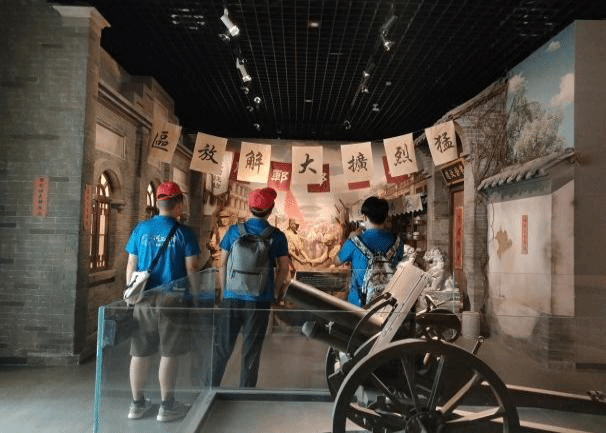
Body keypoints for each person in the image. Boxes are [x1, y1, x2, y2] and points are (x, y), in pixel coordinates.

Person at [124, 181, 200, 422]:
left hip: (144, 298)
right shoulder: (185, 233)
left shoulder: (141, 229)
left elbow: (131, 264)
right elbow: (192, 268)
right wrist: (197, 295)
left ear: (158, 203)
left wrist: (131, 294)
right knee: (169, 353)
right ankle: (166, 406)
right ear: (178, 204)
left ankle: (137, 405)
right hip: (173, 299)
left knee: (139, 352)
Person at [211, 187, 290, 387]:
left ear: (249, 207)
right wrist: (274, 292)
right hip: (259, 300)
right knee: (251, 350)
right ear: (270, 210)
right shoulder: (277, 236)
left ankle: (210, 387)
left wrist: (225, 292)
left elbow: (222, 264)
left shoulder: (233, 231)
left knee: (222, 347)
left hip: (232, 298)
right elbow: (283, 268)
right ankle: (245, 392)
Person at [335, 196, 404, 307]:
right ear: (386, 217)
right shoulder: (398, 242)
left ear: (365, 217)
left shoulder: (353, 242)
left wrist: (349, 238)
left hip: (358, 307)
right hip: (386, 305)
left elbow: (337, 261)